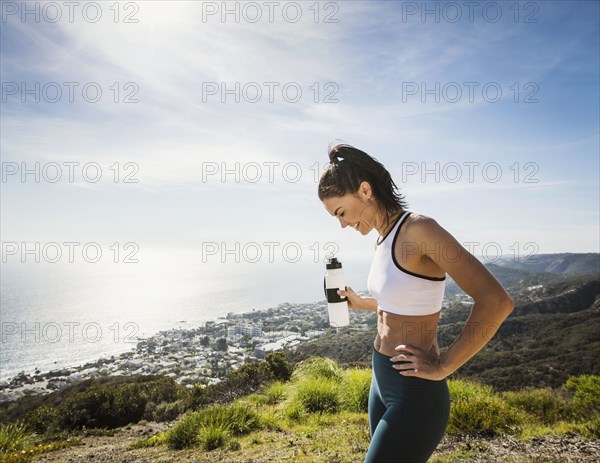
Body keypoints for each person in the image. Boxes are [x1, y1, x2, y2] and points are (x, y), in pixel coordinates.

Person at [318, 143, 515, 463]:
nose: (342, 225)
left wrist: (444, 365)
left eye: (341, 212)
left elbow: (496, 301)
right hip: (381, 381)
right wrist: (362, 303)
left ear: (365, 190)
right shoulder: (383, 237)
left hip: (415, 394)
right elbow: (402, 302)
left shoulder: (420, 229)